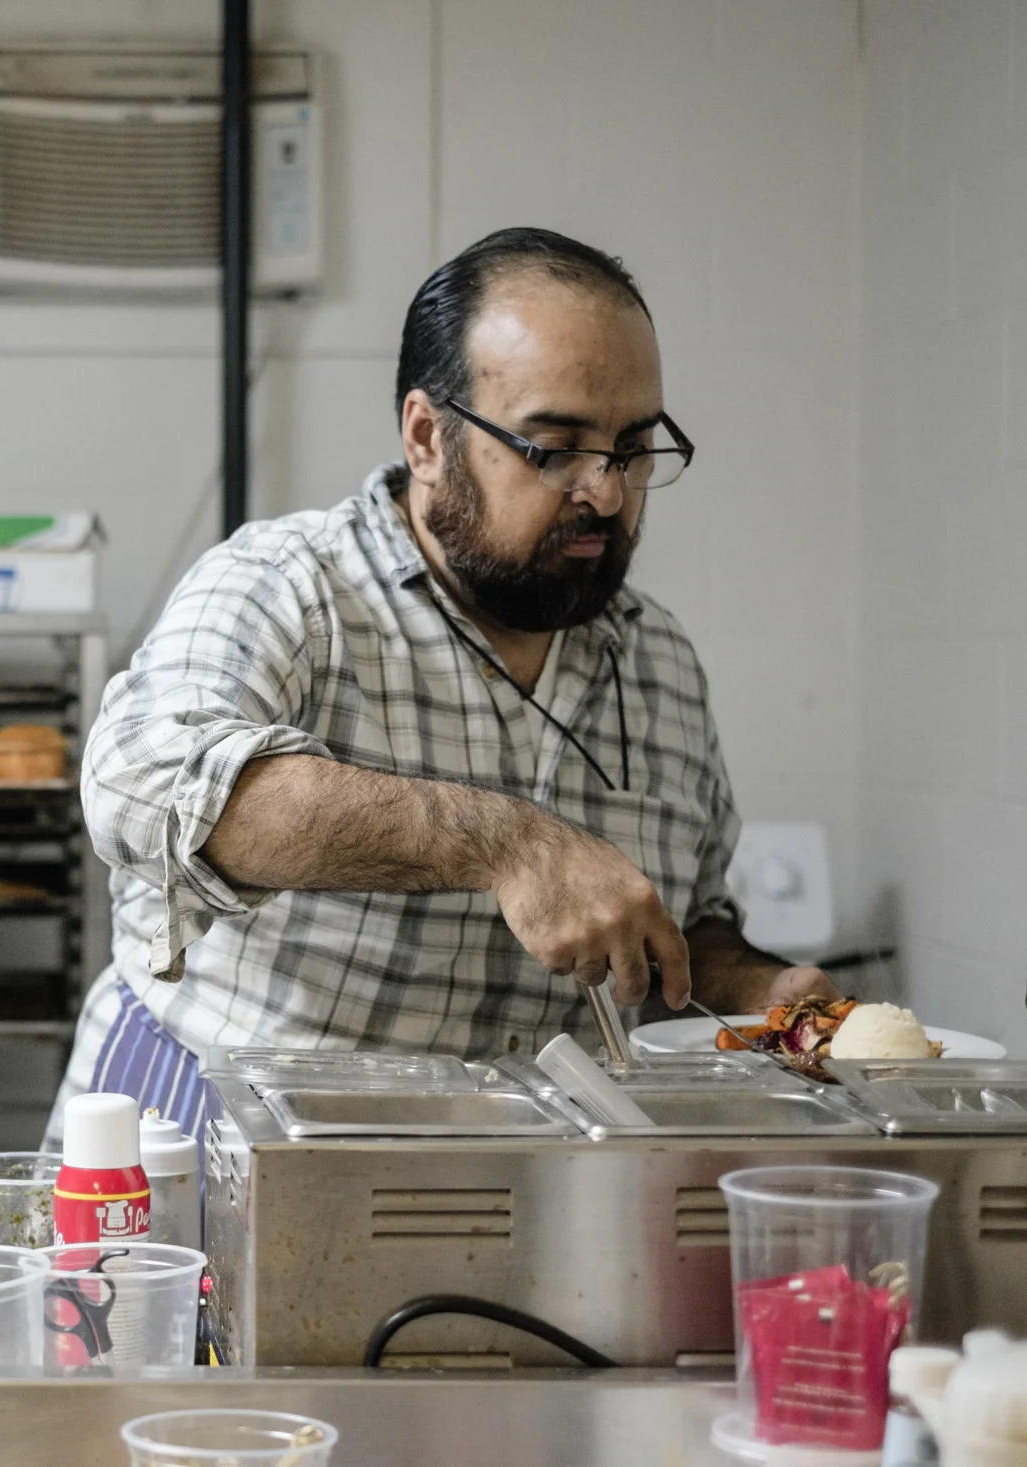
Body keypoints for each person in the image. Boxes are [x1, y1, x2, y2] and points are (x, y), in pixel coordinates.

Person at [50, 227, 839, 1140]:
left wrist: (761, 990)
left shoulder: (657, 658)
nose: (609, 493)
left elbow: (681, 926)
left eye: (633, 448)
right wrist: (507, 843)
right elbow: (144, 789)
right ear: (428, 436)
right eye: (555, 448)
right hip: (209, 1141)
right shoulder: (289, 585)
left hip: (500, 1174)